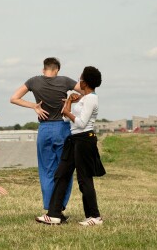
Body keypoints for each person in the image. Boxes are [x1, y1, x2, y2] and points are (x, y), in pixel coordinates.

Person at [35, 66, 106, 226]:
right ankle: (54, 214)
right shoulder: (82, 99)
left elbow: (81, 123)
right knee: (61, 174)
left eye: (80, 78)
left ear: (85, 82)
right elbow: (66, 119)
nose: (78, 80)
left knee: (84, 179)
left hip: (84, 140)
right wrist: (68, 102)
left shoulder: (91, 99)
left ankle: (95, 217)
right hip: (73, 140)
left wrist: (68, 111)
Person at [10, 57, 82, 211]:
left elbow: (14, 98)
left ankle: (49, 207)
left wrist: (34, 106)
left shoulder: (33, 81)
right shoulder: (65, 81)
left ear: (43, 69)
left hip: (44, 129)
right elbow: (87, 92)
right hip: (62, 128)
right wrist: (72, 100)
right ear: (57, 70)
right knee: (65, 169)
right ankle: (60, 207)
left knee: (47, 170)